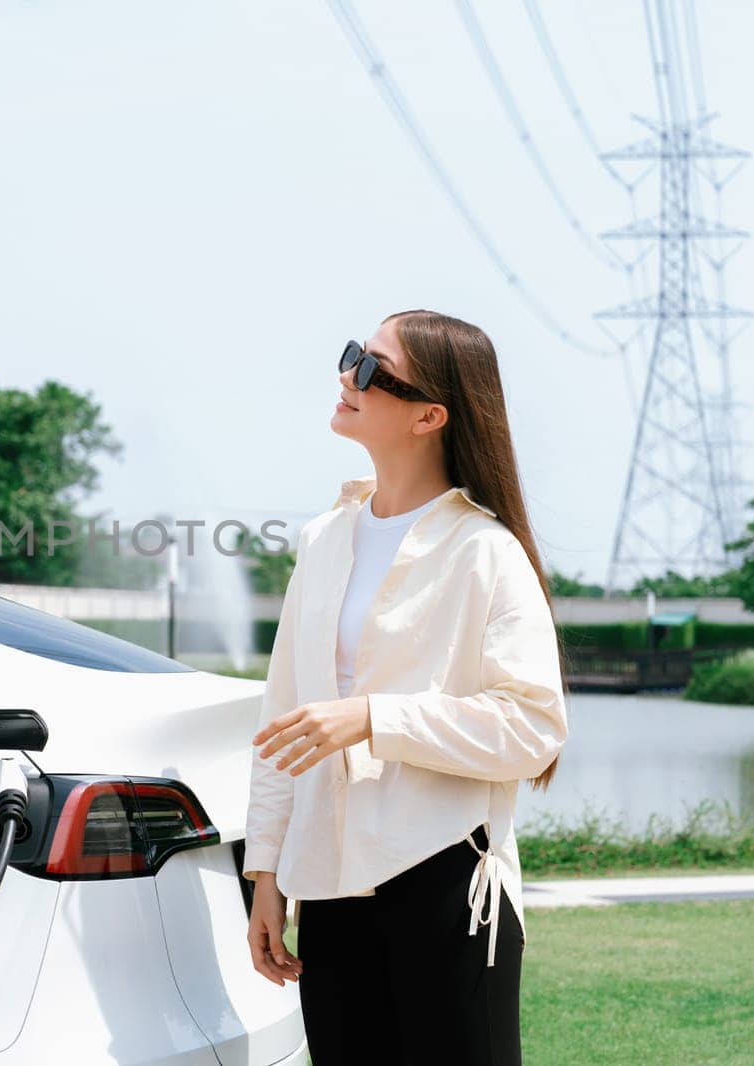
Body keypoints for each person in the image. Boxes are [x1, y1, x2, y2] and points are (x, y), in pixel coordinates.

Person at [242, 310, 569, 1065]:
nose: (346, 375)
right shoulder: (324, 540)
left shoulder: (487, 551)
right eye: (352, 354)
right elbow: (281, 716)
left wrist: (372, 717)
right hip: (326, 886)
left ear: (430, 415)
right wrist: (266, 873)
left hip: (447, 878)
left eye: (371, 368)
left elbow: (532, 728)